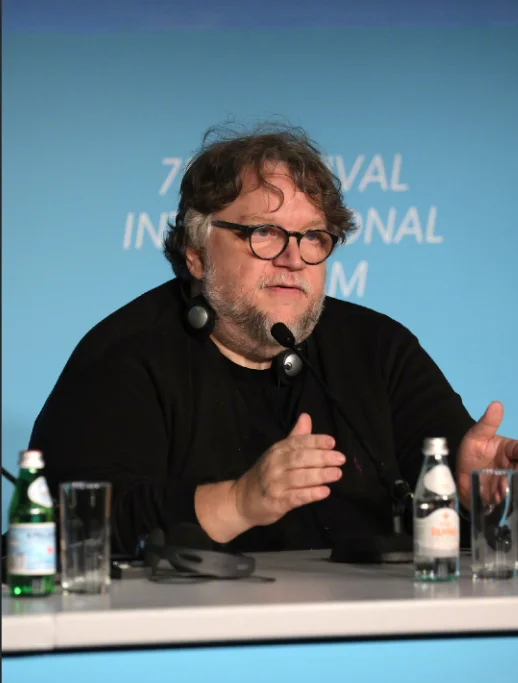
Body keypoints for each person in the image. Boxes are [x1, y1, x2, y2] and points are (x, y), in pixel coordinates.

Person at [29, 124, 518, 556]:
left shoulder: (377, 347)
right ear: (196, 252)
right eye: (264, 232)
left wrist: (469, 486)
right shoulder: (123, 356)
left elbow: (454, 480)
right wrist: (239, 502)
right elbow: (79, 526)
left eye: (313, 237)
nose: (293, 258)